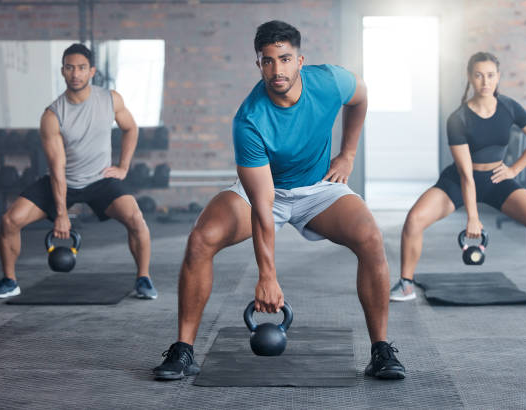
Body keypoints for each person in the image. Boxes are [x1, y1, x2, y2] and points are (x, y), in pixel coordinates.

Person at [153, 20, 405, 380]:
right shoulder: (249, 119)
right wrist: (267, 277)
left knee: (370, 238)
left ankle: (381, 350)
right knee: (201, 239)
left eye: (284, 59)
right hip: (265, 189)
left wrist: (348, 153)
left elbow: (361, 97)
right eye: (267, 61)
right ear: (258, 64)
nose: (276, 70)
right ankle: (183, 349)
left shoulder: (331, 81)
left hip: (317, 188)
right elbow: (263, 203)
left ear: (300, 60)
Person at [390, 51, 526, 302]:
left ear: (498, 77)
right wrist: (473, 218)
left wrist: (514, 170)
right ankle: (405, 284)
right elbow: (466, 175)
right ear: (470, 78)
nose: (485, 82)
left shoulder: (509, 107)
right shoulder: (458, 119)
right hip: (460, 179)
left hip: (497, 179)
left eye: (491, 76)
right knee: (415, 219)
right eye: (479, 76)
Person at [0, 43, 157, 300]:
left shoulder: (111, 100)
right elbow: (57, 168)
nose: (75, 73)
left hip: (101, 181)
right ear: (62, 71)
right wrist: (62, 214)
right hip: (63, 181)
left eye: (81, 68)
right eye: (69, 68)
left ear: (92, 71)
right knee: (10, 220)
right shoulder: (52, 115)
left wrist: (123, 166)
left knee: (136, 219)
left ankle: (143, 278)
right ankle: (10, 281)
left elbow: (130, 128)